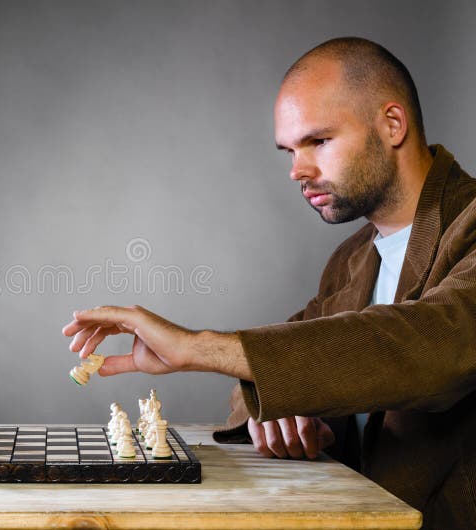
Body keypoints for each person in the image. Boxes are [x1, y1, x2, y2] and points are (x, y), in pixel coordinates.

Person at [62, 37, 476, 528]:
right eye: (289, 150)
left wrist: (197, 348)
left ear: (392, 124)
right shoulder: (351, 259)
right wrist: (279, 408)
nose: (297, 171)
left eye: (319, 141)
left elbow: (430, 344)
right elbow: (284, 357)